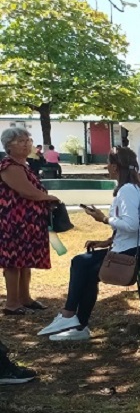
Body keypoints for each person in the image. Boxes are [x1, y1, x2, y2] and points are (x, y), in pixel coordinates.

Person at [37, 147, 140, 341]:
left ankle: (70, 315)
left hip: (137, 250)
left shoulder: (127, 190)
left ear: (116, 167)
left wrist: (104, 219)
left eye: (109, 164)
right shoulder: (133, 188)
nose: (107, 168)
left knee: (80, 262)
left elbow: (132, 225)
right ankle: (79, 325)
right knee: (86, 269)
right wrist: (106, 241)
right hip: (135, 247)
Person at [0, 128, 60, 315]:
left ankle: (25, 298)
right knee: (13, 262)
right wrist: (49, 198)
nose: (26, 144)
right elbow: (27, 191)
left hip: (27, 222)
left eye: (28, 140)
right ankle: (11, 303)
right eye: (20, 141)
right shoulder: (9, 166)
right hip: (13, 221)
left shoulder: (24, 165)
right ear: (9, 145)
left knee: (25, 261)